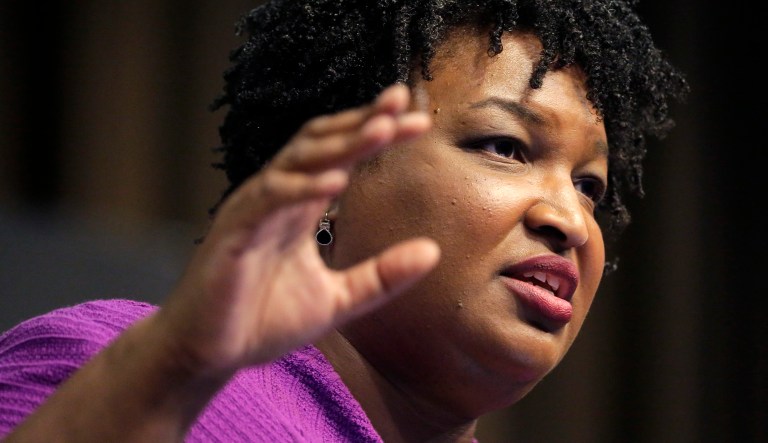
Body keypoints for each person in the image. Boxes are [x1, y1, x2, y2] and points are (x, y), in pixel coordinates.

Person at [0, 0, 688, 441]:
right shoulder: (120, 369)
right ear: (331, 176)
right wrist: (176, 361)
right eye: (504, 146)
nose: (570, 218)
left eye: (589, 185)